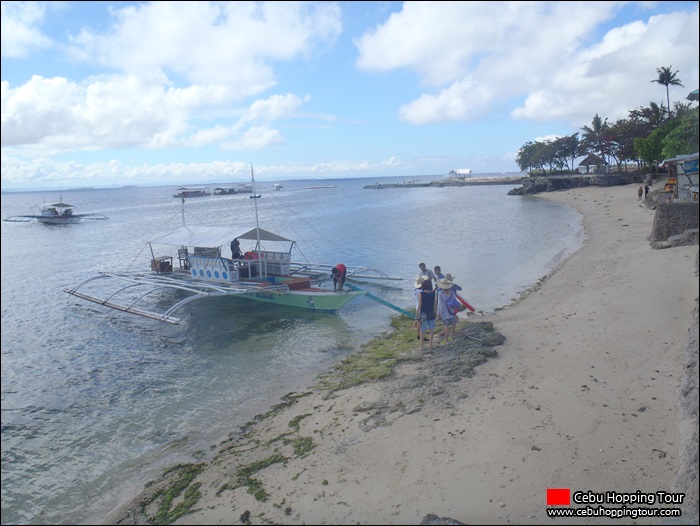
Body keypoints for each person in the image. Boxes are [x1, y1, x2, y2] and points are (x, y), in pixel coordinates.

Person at [416, 279, 437, 351]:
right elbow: (434, 304)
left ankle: (421, 346)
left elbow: (420, 304)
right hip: (431, 312)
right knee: (432, 329)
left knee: (422, 330)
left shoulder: (421, 294)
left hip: (423, 313)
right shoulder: (433, 294)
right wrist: (435, 312)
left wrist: (417, 313)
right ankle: (430, 344)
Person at [437, 277, 459, 342]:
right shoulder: (451, 291)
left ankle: (446, 340)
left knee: (446, 325)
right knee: (453, 323)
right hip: (451, 311)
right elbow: (454, 300)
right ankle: (451, 336)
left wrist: (438, 314)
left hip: (444, 312)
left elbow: (440, 304)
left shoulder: (440, 293)